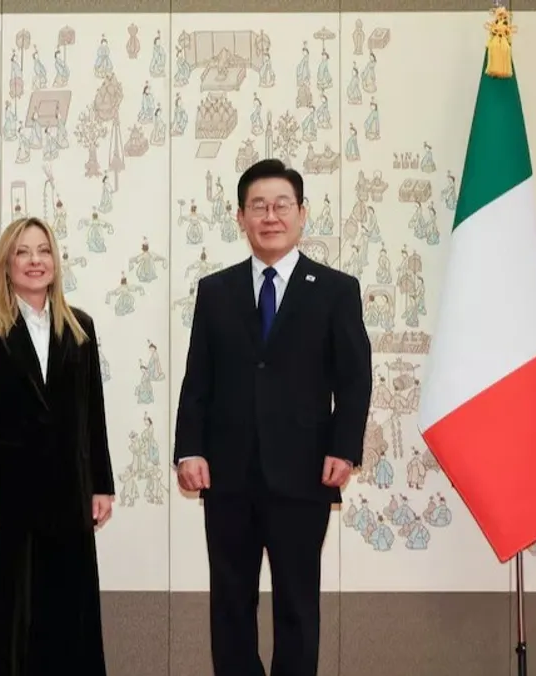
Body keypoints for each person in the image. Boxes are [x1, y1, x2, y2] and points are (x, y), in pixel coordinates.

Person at [174, 159, 373, 676]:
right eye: (258, 206)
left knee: (297, 606)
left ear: (302, 213)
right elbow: (198, 379)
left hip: (304, 474)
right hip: (228, 476)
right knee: (230, 605)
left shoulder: (335, 290)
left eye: (281, 205)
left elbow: (354, 379)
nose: (270, 216)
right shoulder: (215, 291)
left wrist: (344, 448)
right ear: (240, 217)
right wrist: (189, 449)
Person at [0, 216, 116, 676]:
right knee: (2, 619)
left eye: (43, 250)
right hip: (1, 499)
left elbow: (93, 413)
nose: (34, 260)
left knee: (66, 619)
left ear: (55, 261)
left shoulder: (80, 328)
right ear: (6, 263)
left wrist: (100, 484)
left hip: (67, 495)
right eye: (22, 252)